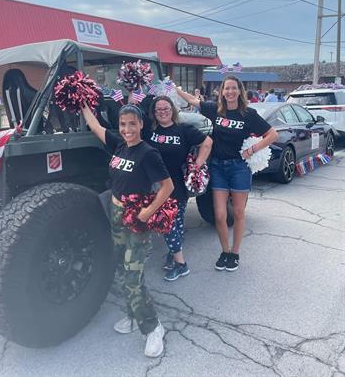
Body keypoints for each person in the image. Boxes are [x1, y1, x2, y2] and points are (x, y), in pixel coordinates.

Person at [81, 103, 174, 358]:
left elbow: (167, 187)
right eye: (123, 125)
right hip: (116, 214)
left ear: (141, 124)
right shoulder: (119, 145)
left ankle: (153, 327)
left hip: (137, 218)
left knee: (133, 275)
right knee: (123, 268)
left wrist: (148, 211)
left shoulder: (148, 153)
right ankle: (133, 316)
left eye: (132, 124)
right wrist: (82, 103)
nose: (127, 129)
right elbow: (96, 127)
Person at [176, 76, 278, 272]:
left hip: (239, 167)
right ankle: (225, 251)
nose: (230, 92)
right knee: (220, 215)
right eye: (226, 89)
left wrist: (253, 149)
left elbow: (273, 135)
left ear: (240, 91)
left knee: (238, 212)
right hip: (218, 167)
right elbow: (193, 101)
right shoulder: (215, 110)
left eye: (233, 88)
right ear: (221, 92)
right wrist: (176, 89)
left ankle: (235, 253)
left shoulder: (248, 114)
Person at [145, 95, 212, 281]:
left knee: (170, 224)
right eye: (159, 109)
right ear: (154, 113)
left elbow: (207, 143)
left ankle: (181, 264)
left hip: (177, 186)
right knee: (173, 224)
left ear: (172, 110)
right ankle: (174, 256)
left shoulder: (183, 129)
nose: (163, 112)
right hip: (156, 185)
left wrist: (197, 164)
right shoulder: (149, 132)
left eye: (166, 108)